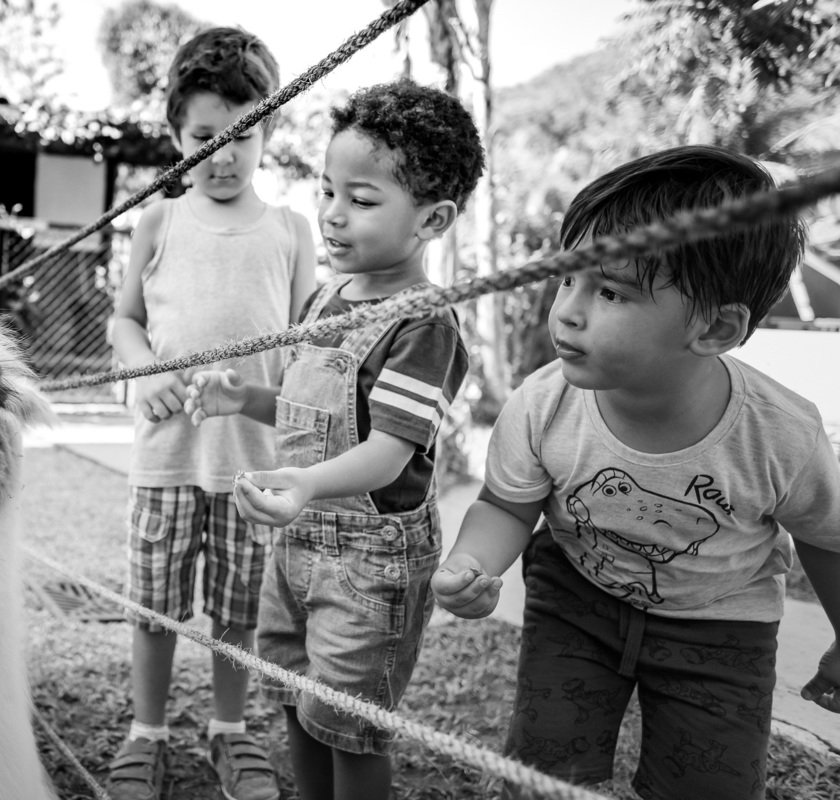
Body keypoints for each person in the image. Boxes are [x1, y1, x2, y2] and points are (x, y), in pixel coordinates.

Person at [430, 144, 840, 800]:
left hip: (721, 629)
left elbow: (826, 537)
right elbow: (507, 506)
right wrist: (472, 561)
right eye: (568, 278)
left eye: (610, 290)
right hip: (575, 603)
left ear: (714, 328)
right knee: (544, 773)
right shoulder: (543, 403)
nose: (566, 309)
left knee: (710, 787)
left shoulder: (781, 434)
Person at [185, 78, 485, 800]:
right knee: (295, 698)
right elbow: (303, 411)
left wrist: (308, 486)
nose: (333, 216)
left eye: (363, 199)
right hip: (295, 545)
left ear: (433, 219)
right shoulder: (328, 298)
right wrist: (243, 398)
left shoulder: (423, 326)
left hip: (369, 564)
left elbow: (388, 453)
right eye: (327, 191)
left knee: (348, 727)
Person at [105, 25, 317, 800]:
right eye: (203, 137)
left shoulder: (293, 233)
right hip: (165, 453)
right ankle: (147, 732)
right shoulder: (157, 222)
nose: (221, 156)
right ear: (175, 134)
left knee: (237, 613)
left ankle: (229, 730)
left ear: (267, 132)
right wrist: (139, 370)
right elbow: (124, 321)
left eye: (240, 137)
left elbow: (303, 345)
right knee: (154, 609)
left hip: (253, 461)